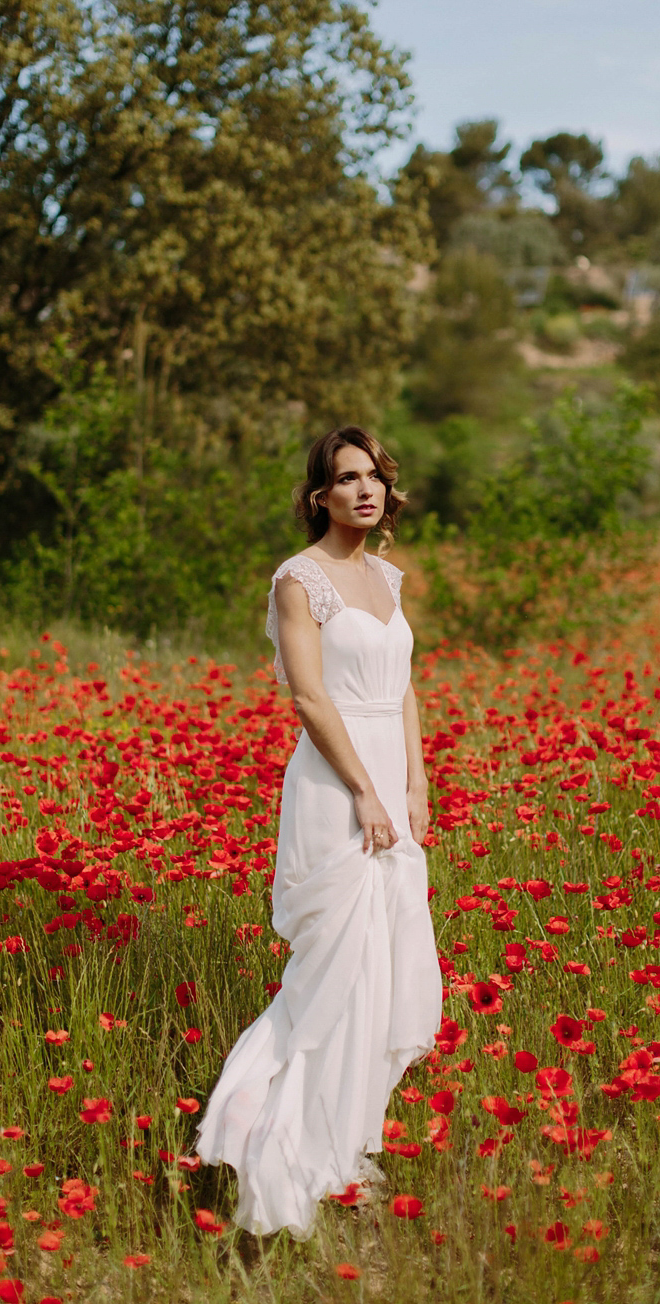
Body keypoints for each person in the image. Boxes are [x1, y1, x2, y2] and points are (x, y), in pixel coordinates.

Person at [195, 425, 442, 1238]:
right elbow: (308, 698)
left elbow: (401, 691)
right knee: (332, 971)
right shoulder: (299, 581)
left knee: (385, 969)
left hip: (388, 780)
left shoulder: (385, 576)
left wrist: (414, 779)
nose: (365, 489)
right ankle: (270, 1146)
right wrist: (366, 792)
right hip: (335, 785)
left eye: (373, 476)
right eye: (347, 478)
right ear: (319, 497)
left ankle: (342, 1146)